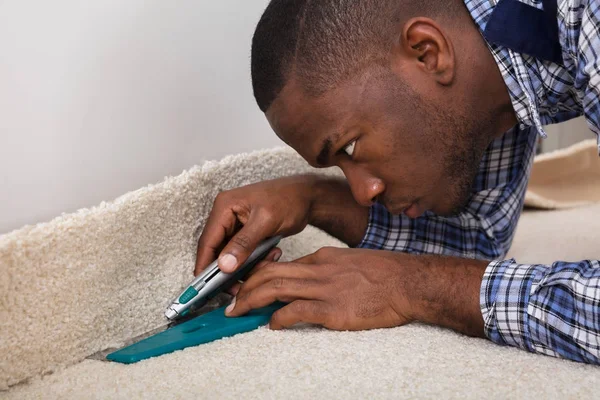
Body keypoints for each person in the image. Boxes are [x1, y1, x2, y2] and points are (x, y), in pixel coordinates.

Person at [195, 0, 600, 364]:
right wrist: (314, 198)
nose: (363, 191)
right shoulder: (486, 71)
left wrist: (413, 286)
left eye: (350, 149)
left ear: (427, 52)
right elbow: (478, 243)